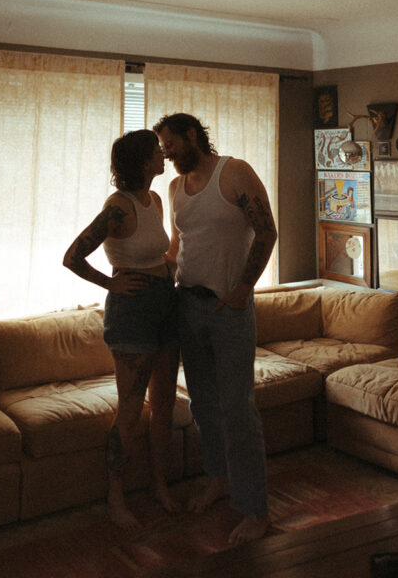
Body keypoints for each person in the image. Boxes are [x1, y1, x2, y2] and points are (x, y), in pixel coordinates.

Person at [153, 112, 278, 547]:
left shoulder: (234, 172)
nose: (167, 156)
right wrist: (149, 276)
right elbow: (177, 246)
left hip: (229, 308)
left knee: (238, 409)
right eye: (163, 151)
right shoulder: (174, 189)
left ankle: (255, 509)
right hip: (187, 303)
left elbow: (267, 231)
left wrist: (244, 289)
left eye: (171, 147)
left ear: (192, 136)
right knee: (204, 404)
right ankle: (219, 480)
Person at [62, 129, 179, 532]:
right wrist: (109, 283)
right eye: (156, 151)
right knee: (130, 408)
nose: (163, 154)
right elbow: (72, 256)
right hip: (132, 310)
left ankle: (159, 485)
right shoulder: (118, 207)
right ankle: (116, 496)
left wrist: (169, 268)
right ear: (143, 162)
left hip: (165, 302)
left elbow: (155, 249)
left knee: (164, 403)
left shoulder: (155, 200)